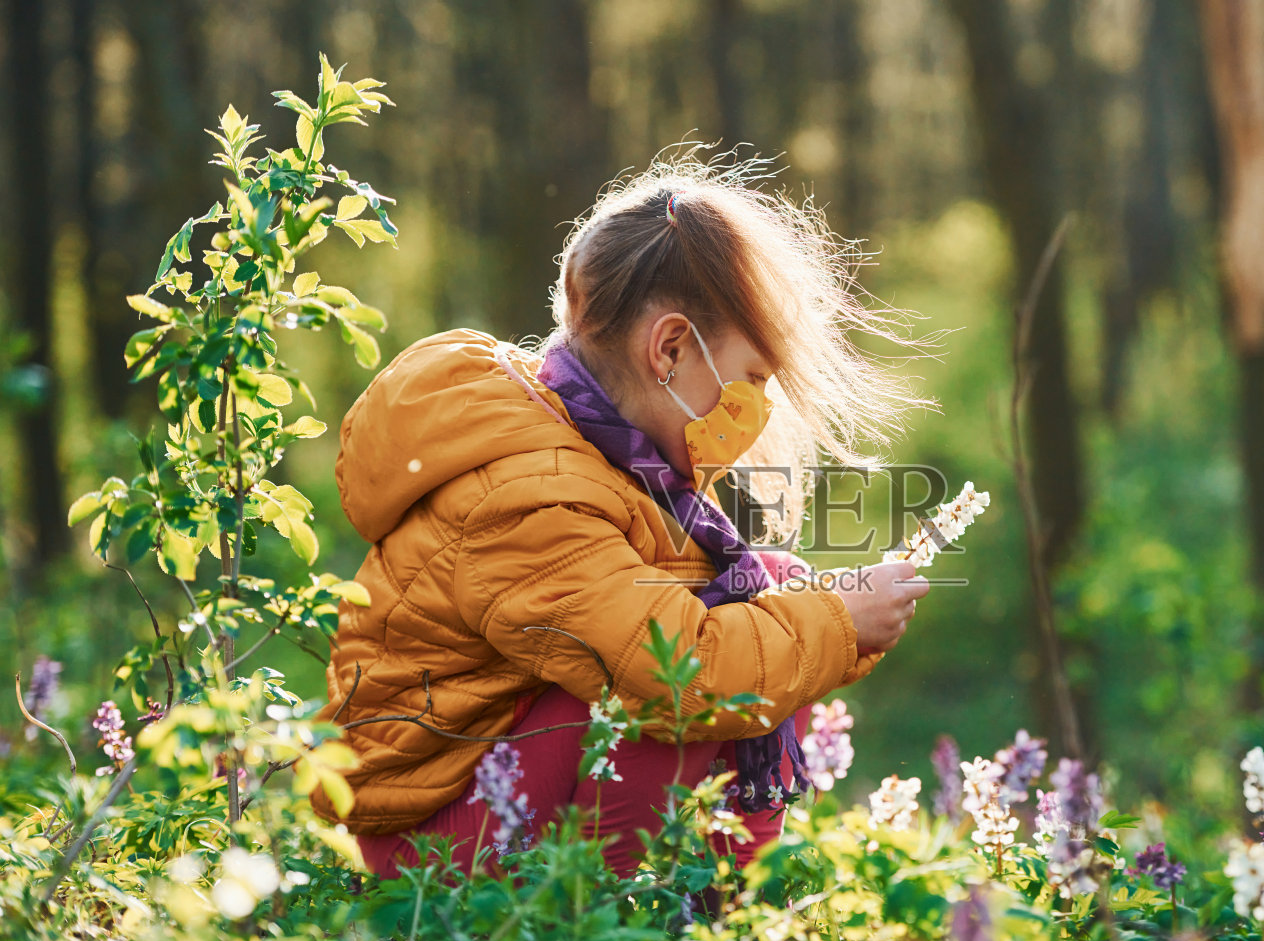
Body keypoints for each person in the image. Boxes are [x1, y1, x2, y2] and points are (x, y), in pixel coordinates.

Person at [310, 152, 932, 878]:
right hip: (424, 851)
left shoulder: (604, 453)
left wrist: (813, 609)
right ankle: (631, 929)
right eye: (752, 378)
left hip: (489, 791)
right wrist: (837, 619)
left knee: (769, 590)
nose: (758, 411)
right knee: (668, 692)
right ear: (669, 348)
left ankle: (737, 912)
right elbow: (680, 678)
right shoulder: (525, 494)